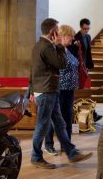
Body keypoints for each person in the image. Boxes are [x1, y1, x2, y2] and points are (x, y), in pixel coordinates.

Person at [29, 18, 92, 169]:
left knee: (60, 122)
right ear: (53, 32)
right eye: (57, 29)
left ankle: (71, 152)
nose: (58, 32)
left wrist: (31, 90)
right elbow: (61, 64)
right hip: (46, 91)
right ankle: (36, 156)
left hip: (48, 90)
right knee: (42, 125)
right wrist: (58, 45)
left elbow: (32, 71)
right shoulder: (47, 47)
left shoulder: (39, 45)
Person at [44, 25, 79, 156]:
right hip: (58, 89)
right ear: (63, 35)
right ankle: (48, 145)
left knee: (67, 117)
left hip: (69, 89)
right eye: (71, 36)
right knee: (54, 119)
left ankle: (67, 146)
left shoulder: (67, 50)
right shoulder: (53, 49)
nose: (73, 38)